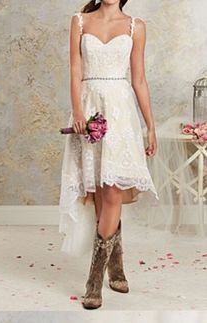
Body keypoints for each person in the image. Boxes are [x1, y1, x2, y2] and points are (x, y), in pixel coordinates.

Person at [59, 0, 159, 310]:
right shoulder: (79, 21)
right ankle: (116, 265)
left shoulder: (135, 26)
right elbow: (76, 71)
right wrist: (77, 111)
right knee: (100, 194)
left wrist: (150, 125)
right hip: (90, 109)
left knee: (113, 192)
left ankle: (94, 280)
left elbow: (138, 80)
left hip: (121, 114)